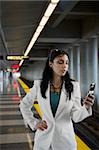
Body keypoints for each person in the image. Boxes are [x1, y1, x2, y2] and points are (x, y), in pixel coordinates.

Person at [19, 49, 94, 150]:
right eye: (60, 62)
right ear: (51, 64)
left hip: (65, 141)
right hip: (44, 139)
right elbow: (24, 105)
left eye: (66, 63)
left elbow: (76, 117)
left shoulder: (73, 86)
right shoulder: (39, 85)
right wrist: (34, 123)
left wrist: (86, 107)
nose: (64, 66)